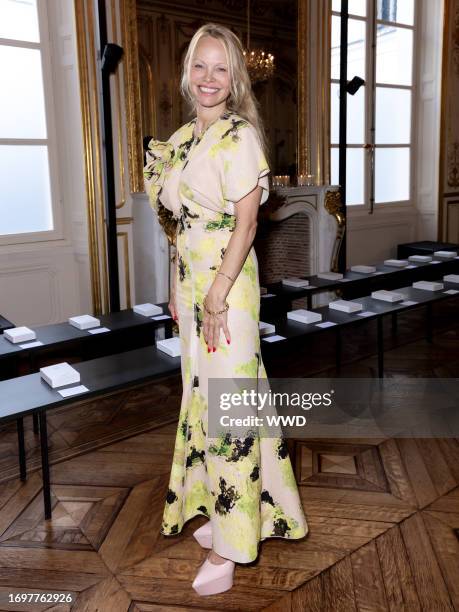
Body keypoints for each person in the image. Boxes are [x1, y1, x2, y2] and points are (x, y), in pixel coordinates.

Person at [143, 22, 308, 597]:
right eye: (199, 66)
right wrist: (177, 286)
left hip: (227, 290)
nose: (209, 79)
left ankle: (234, 543)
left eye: (220, 68)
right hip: (191, 288)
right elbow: (179, 225)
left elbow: (246, 223)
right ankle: (232, 508)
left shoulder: (240, 138)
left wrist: (216, 289)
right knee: (203, 400)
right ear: (187, 74)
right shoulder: (183, 138)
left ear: (234, 77)